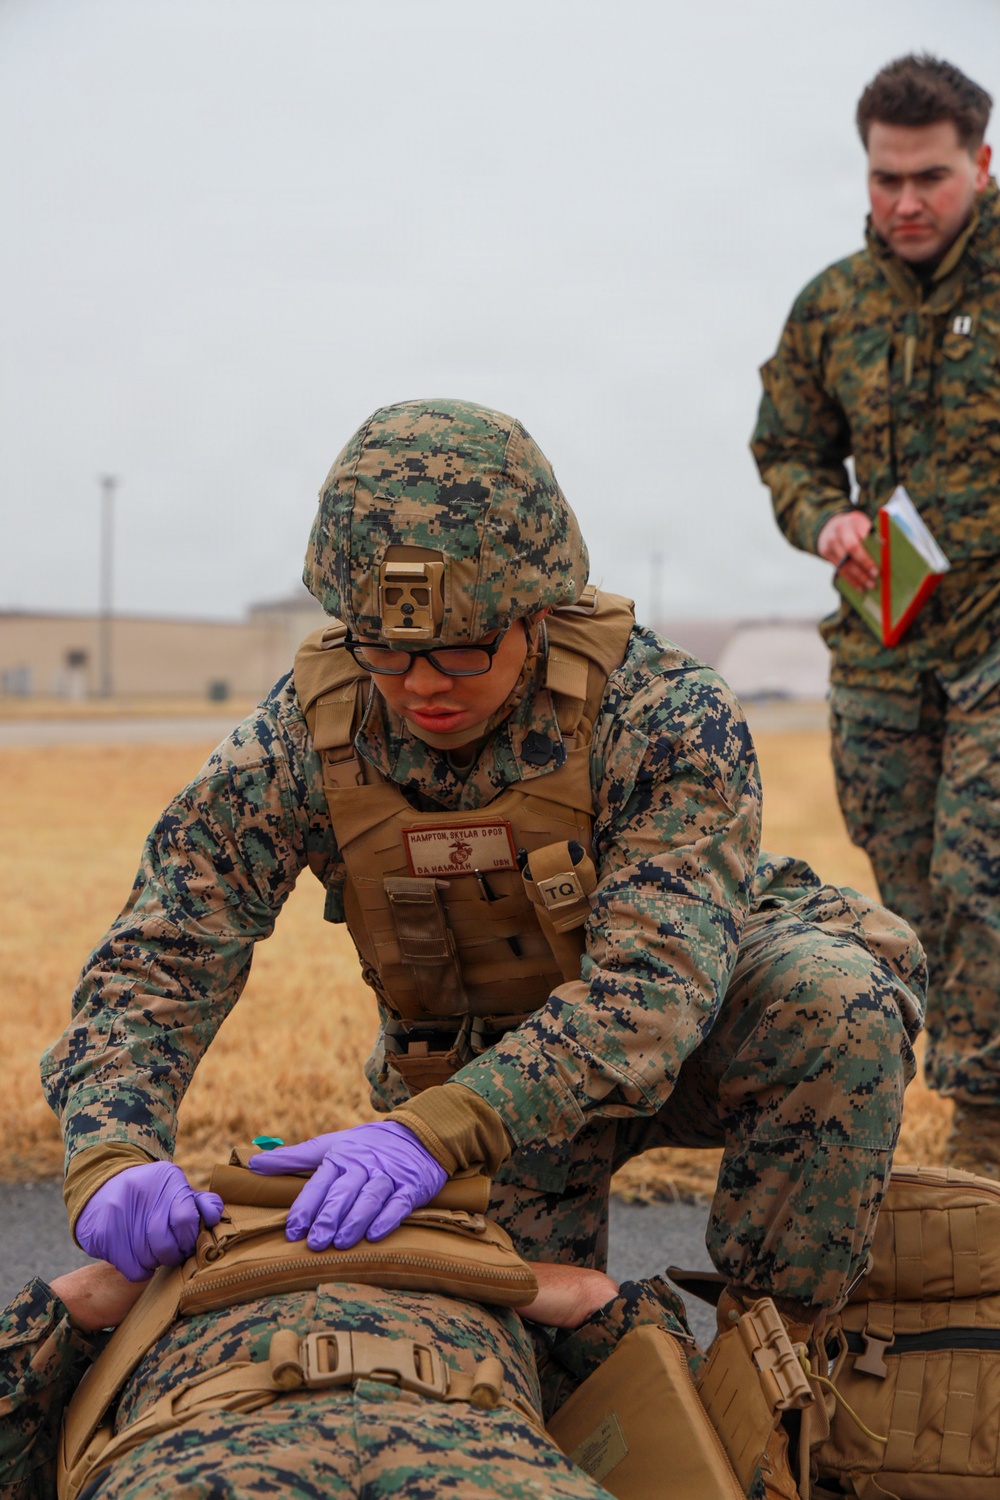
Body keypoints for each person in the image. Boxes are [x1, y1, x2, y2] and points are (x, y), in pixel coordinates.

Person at [41, 398, 925, 1369]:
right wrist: (112, 1149)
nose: (422, 685)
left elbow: (650, 1001)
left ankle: (774, 1378)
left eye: (463, 650)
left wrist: (428, 1138)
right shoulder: (304, 734)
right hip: (473, 1078)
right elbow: (163, 950)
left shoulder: (666, 712)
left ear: (537, 615)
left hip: (687, 1028)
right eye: (382, 648)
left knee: (833, 1004)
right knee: (501, 1358)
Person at [751, 54, 1000, 1175]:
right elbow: (788, 445)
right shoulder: (831, 306)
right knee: (907, 898)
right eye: (885, 177)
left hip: (997, 639)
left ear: (981, 164)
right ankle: (940, 1099)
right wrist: (823, 522)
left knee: (978, 876)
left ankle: (985, 1130)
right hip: (885, 645)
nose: (905, 201)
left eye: (931, 178)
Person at [0, 1253, 684, 1499]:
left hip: (205, 1456)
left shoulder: (143, 1288)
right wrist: (503, 1270)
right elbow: (670, 1410)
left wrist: (77, 1298)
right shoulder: (493, 1281)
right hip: (480, 1455)